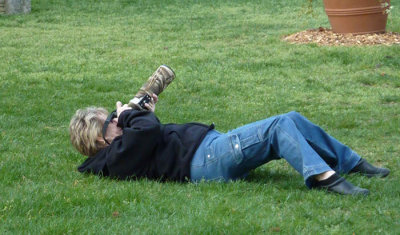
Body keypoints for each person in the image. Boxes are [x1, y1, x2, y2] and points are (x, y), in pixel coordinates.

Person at [69, 94, 390, 196]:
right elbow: (148, 130)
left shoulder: (125, 145)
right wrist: (131, 116)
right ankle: (325, 178)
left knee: (290, 117)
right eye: (112, 118)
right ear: (101, 138)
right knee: (278, 127)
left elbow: (148, 130)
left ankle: (349, 161)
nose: (117, 117)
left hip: (212, 148)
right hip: (207, 160)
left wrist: (136, 116)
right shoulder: (115, 158)